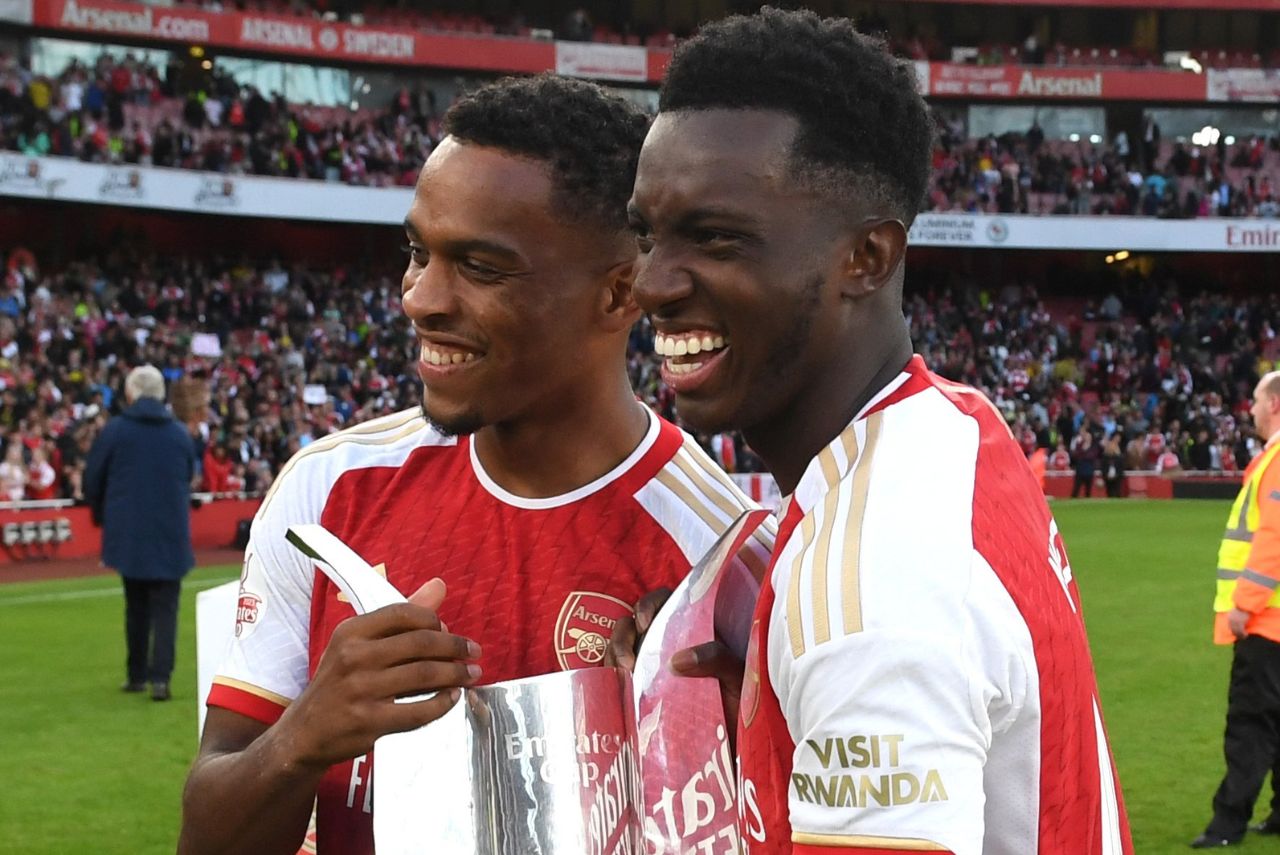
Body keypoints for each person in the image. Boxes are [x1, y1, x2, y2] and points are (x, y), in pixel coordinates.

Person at [178, 75, 769, 855]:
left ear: (621, 293)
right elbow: (204, 838)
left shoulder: (719, 557)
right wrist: (304, 734)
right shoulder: (329, 490)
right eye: (418, 251)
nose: (419, 298)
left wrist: (694, 739)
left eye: (480, 266)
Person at [626, 9, 1132, 852]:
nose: (650, 283)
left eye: (714, 238)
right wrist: (782, 693)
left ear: (867, 257)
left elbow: (882, 618)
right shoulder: (954, 421)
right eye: (648, 234)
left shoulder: (868, 581)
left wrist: (837, 653)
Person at [1192, 371, 1280, 848]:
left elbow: (1272, 540)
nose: (1249, 408)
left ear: (1275, 405)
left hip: (1266, 619)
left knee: (1249, 723)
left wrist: (1245, 604)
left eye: (1256, 399)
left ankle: (1227, 824)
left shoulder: (1277, 462)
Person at [83, 364, 195, 702]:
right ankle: (160, 678)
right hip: (170, 532)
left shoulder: (116, 430)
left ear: (131, 394)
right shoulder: (178, 433)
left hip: (129, 533)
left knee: (135, 604)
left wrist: (102, 514)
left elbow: (93, 479)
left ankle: (136, 674)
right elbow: (190, 474)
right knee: (166, 608)